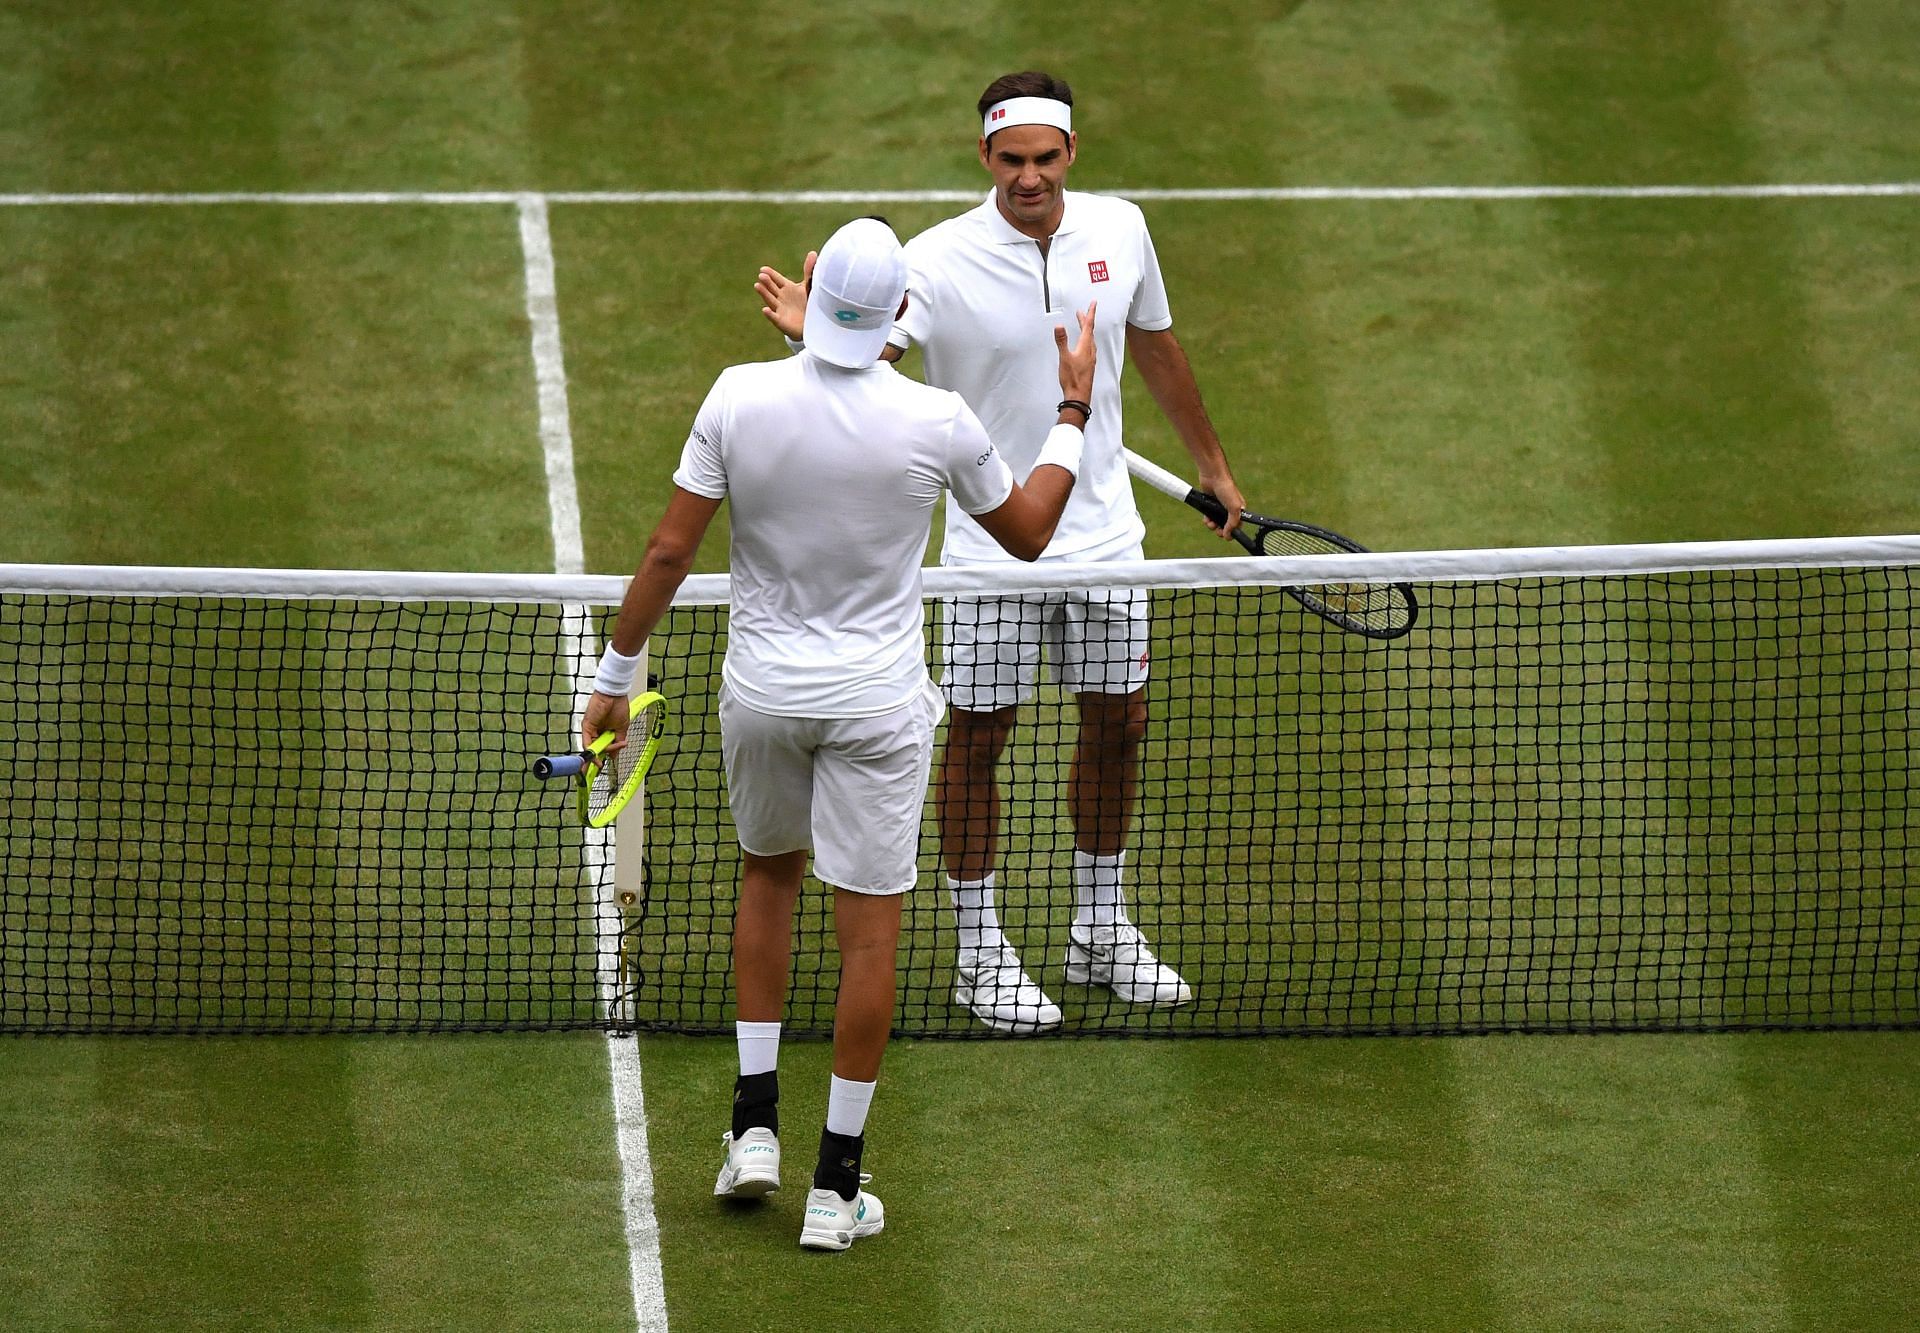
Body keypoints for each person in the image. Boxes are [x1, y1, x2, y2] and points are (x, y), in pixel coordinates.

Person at [583, 217, 1096, 1250]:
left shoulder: (737, 395)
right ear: (898, 312)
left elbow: (668, 550)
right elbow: (1032, 532)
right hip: (876, 707)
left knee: (768, 877)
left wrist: (616, 673)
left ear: (813, 298)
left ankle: (754, 1128)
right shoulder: (936, 419)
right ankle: (833, 1186)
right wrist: (1073, 406)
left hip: (764, 697)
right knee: (870, 935)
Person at [755, 72, 1245, 1035]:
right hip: (990, 548)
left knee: (1120, 725)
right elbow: (864, 372)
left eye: (1045, 159)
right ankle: (981, 953)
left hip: (1108, 539)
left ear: (1072, 154)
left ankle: (1098, 929)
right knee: (979, 740)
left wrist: (1213, 467)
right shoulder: (933, 262)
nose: (1029, 176)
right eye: (1011, 160)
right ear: (985, 157)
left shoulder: (1122, 230)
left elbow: (1155, 345)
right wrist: (816, 334)